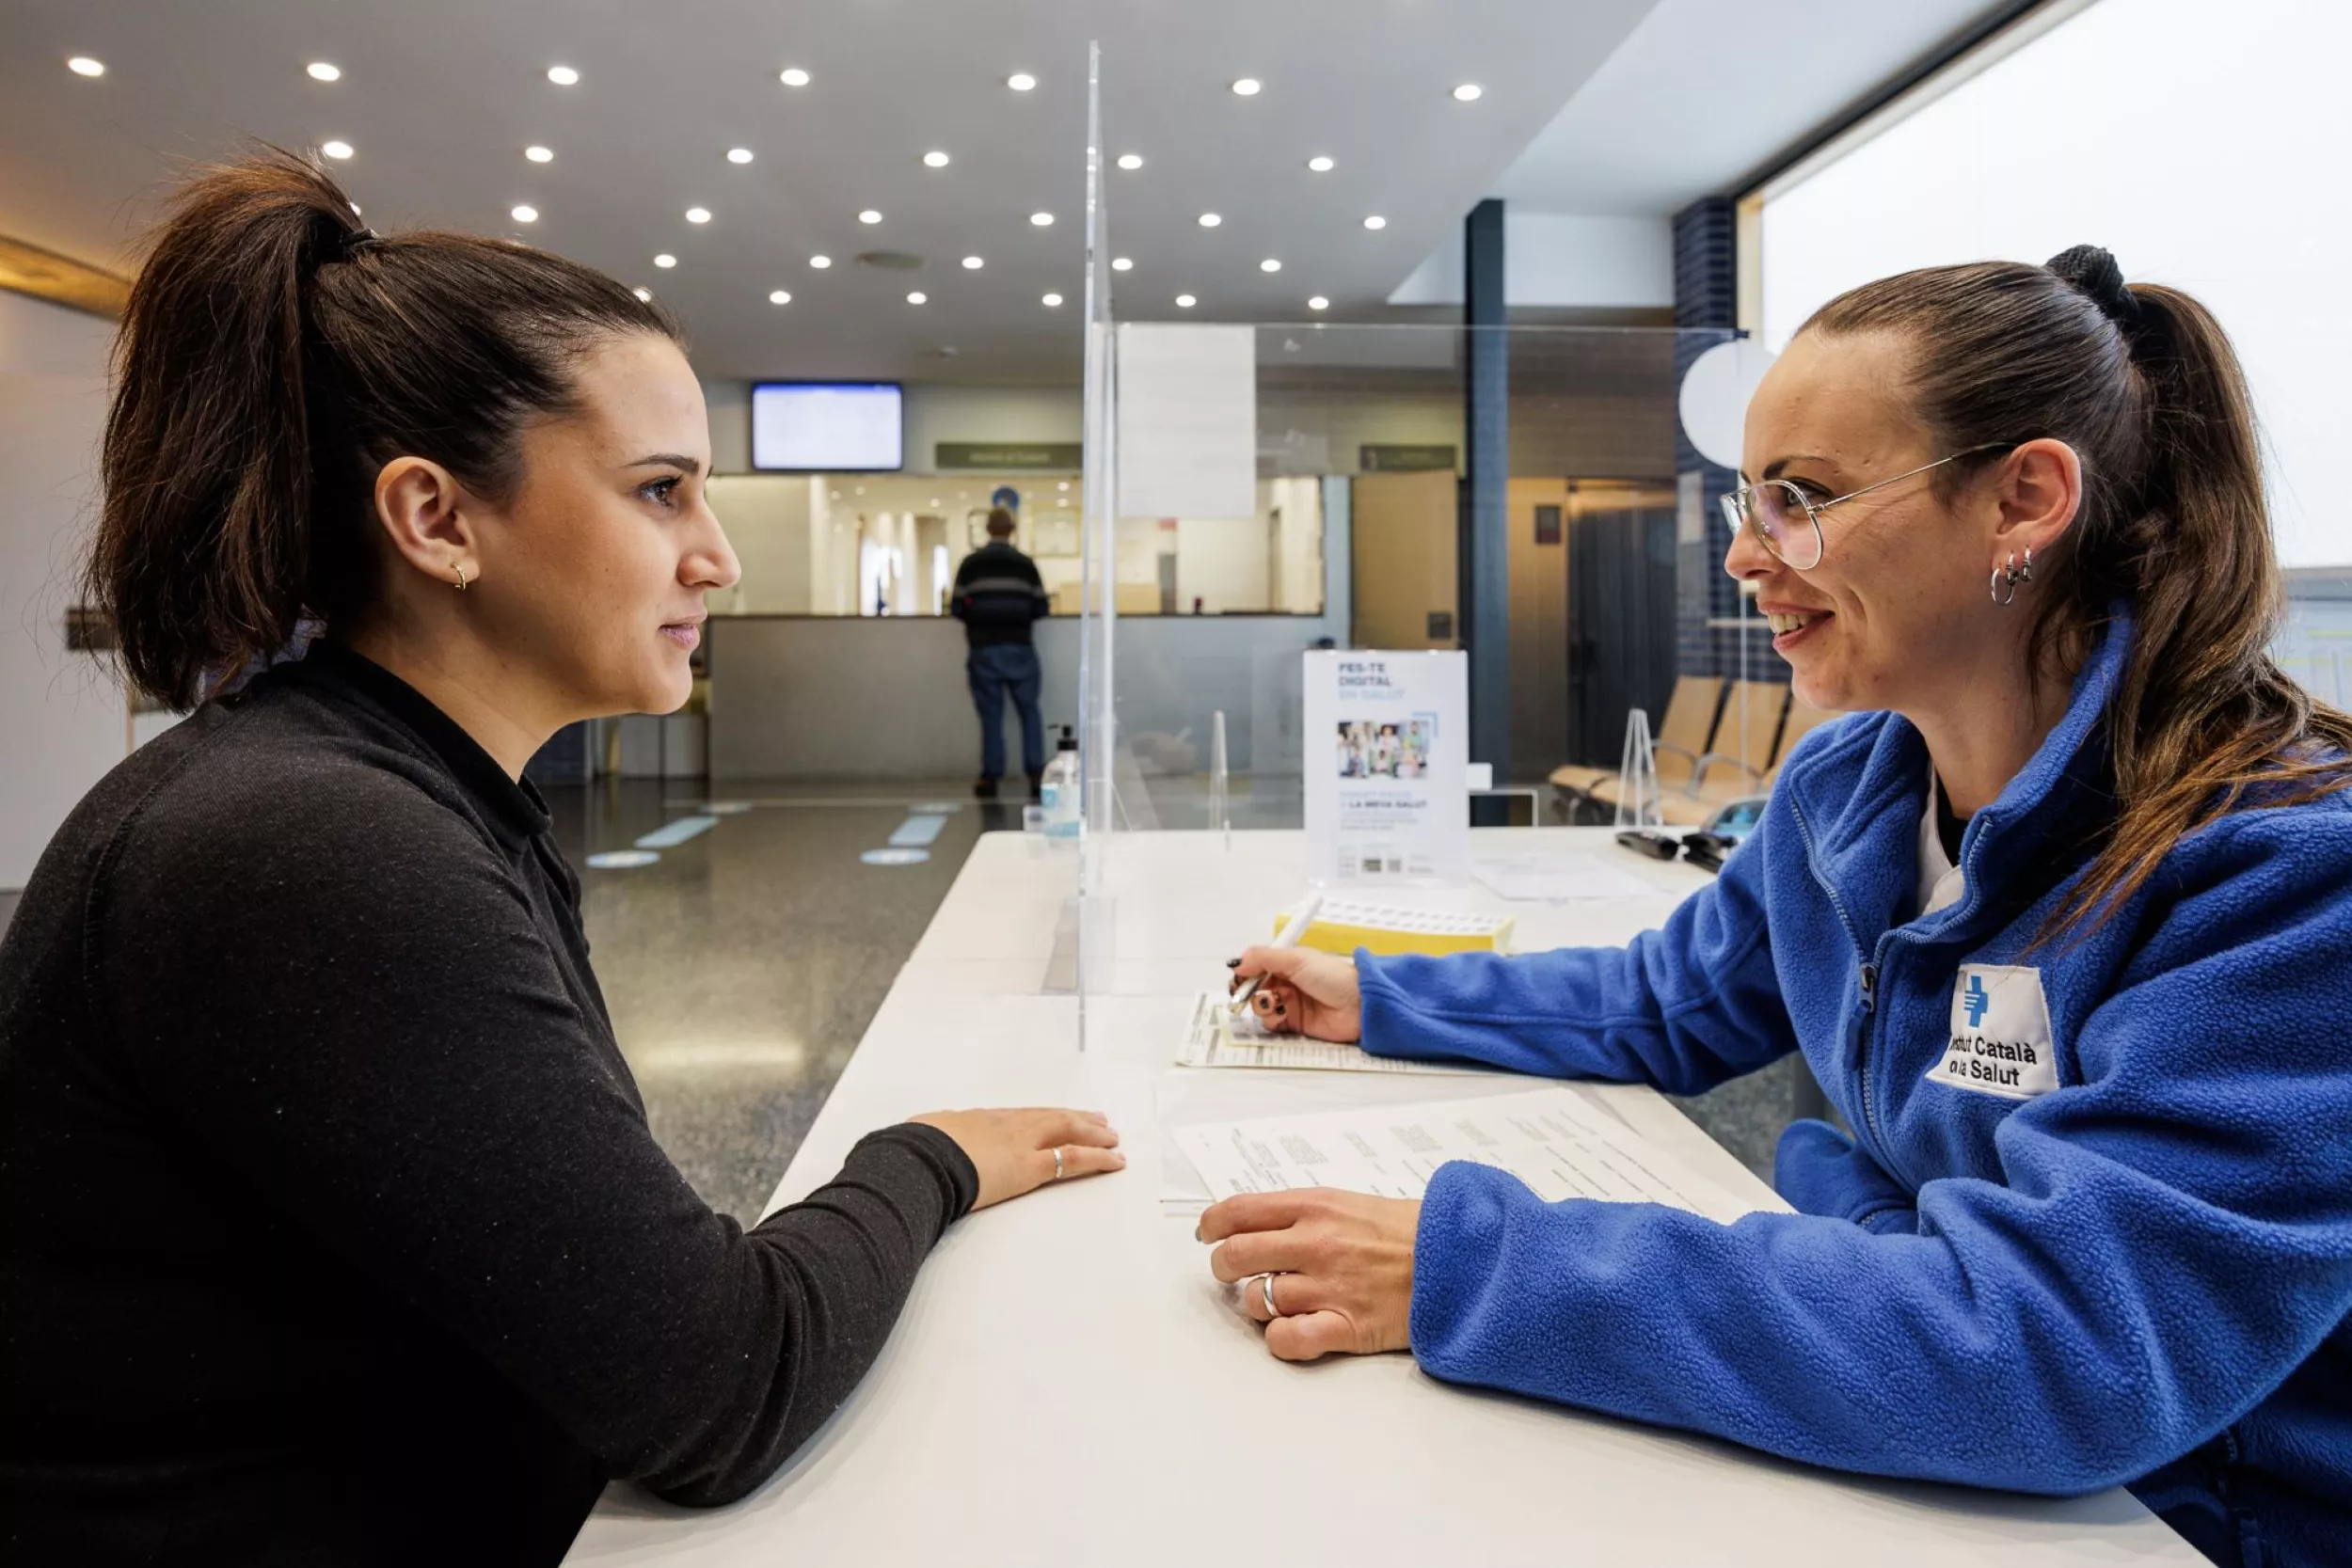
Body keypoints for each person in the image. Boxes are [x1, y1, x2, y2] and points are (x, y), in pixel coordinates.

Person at [0, 150, 1124, 1566]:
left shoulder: (403, 795)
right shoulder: (309, 848)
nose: (715, 555)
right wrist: (929, 1156)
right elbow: (721, 1381)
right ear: (436, 519)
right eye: (660, 489)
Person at [1207, 246, 2352, 1567]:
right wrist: (1384, 995)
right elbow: (1669, 999)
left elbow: (2064, 1345)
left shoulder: (2285, 870)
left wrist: (1478, 1269)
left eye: (1800, 499)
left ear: (2024, 502)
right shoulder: (1847, 783)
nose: (1748, 556)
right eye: (1747, 503)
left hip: (2206, 1525)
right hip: (1971, 1471)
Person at [949, 506, 1048, 799]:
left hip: (984, 649)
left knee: (991, 715)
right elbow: (1041, 607)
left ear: (987, 529)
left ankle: (990, 777)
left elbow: (956, 607)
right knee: (1029, 711)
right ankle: (1036, 773)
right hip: (1020, 648)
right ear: (1012, 530)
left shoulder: (970, 565)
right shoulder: (1026, 565)